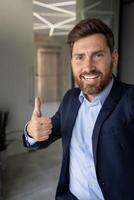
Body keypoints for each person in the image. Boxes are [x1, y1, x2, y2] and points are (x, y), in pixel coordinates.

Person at [23, 18, 134, 200]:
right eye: (79, 57)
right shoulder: (70, 99)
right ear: (72, 61)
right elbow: (46, 134)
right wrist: (32, 131)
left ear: (113, 58)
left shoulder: (130, 99)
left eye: (98, 55)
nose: (88, 67)